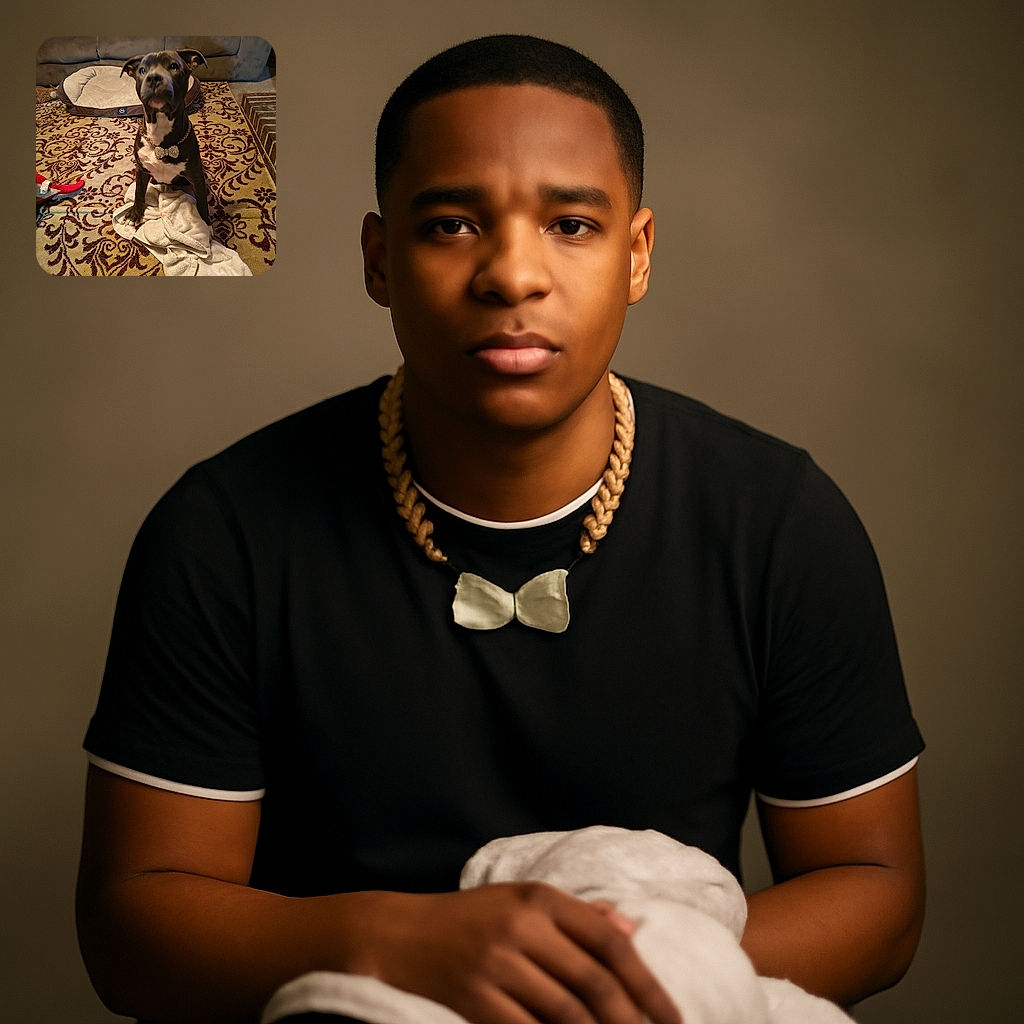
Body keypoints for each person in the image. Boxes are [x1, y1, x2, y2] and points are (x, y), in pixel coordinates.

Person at [76, 34, 925, 1024]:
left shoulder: (778, 521)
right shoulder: (225, 532)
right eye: (449, 225)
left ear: (637, 255)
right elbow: (133, 926)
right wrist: (406, 948)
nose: (513, 275)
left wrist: (625, 980)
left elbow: (878, 890)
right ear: (379, 259)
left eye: (571, 223)